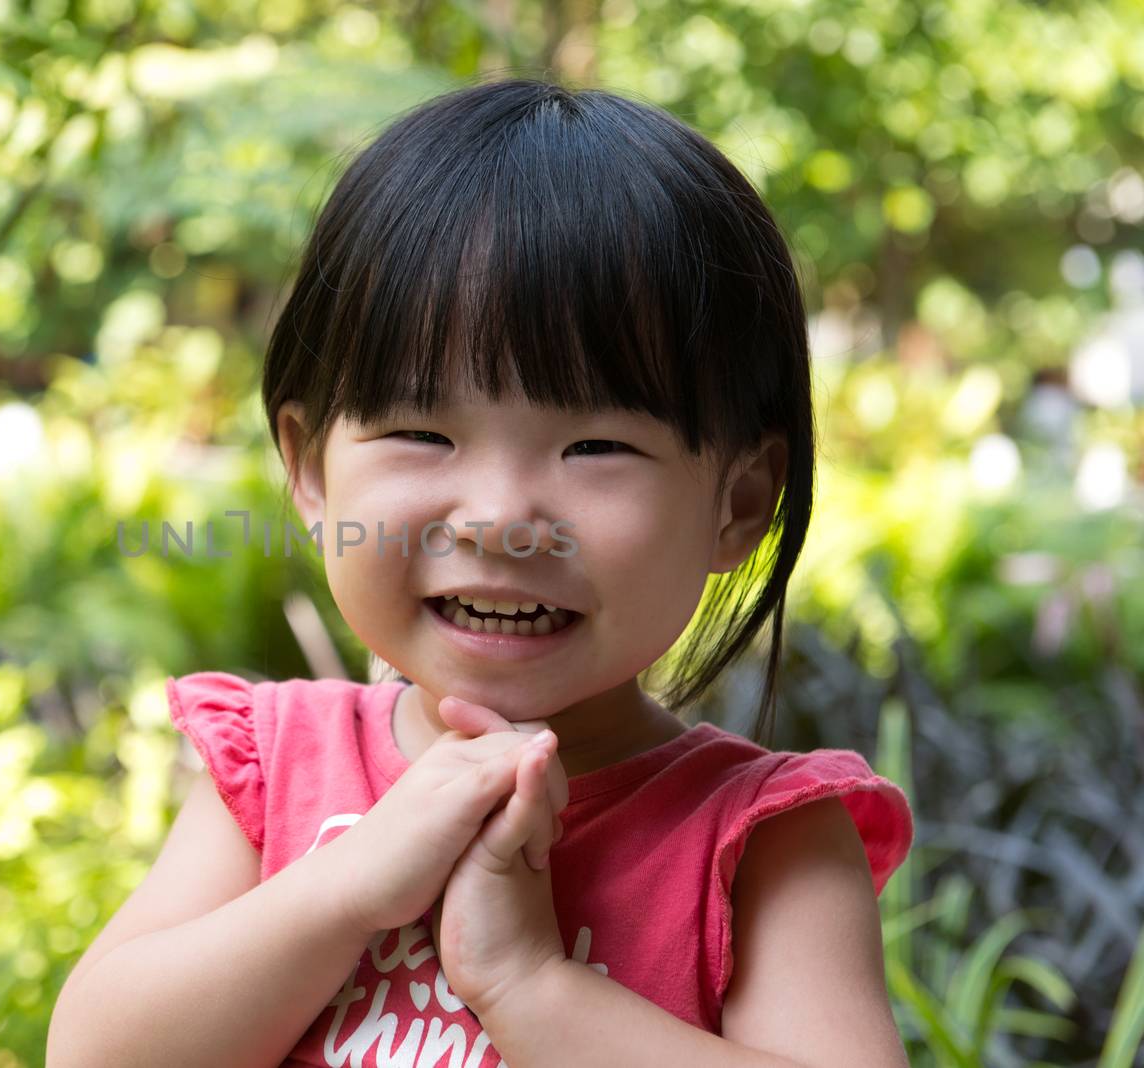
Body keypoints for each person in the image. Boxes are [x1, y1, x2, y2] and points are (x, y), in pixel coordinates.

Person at [47, 77, 914, 1068]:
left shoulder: (757, 844)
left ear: (740, 502)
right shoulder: (275, 770)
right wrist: (349, 884)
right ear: (308, 468)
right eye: (421, 432)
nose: (500, 518)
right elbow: (97, 1051)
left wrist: (528, 988)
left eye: (594, 446)